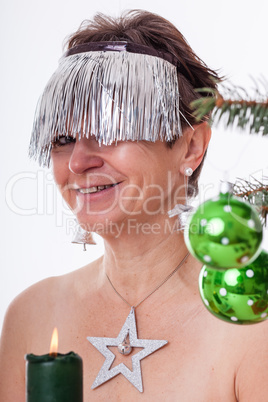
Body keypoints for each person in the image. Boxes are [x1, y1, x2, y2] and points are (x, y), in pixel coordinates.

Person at [1, 10, 268, 401]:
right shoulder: (31, 316)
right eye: (62, 138)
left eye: (110, 128)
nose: (78, 162)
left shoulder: (251, 320)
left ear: (191, 146)